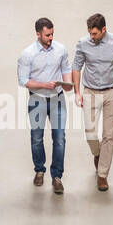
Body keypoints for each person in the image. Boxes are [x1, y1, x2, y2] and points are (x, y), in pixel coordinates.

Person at [72, 13, 113, 191]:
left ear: (103, 30)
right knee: (90, 134)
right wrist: (77, 92)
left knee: (109, 136)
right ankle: (97, 153)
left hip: (111, 93)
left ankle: (102, 175)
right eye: (89, 33)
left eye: (95, 34)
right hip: (90, 92)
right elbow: (76, 67)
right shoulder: (83, 43)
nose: (91, 37)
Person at [17, 17, 72, 194]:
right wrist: (43, 85)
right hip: (37, 99)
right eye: (47, 35)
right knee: (37, 138)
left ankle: (57, 176)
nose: (51, 37)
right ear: (38, 34)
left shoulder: (61, 50)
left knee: (60, 138)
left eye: (52, 34)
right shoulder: (27, 54)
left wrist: (68, 83)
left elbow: (65, 69)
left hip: (57, 99)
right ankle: (40, 170)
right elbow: (23, 81)